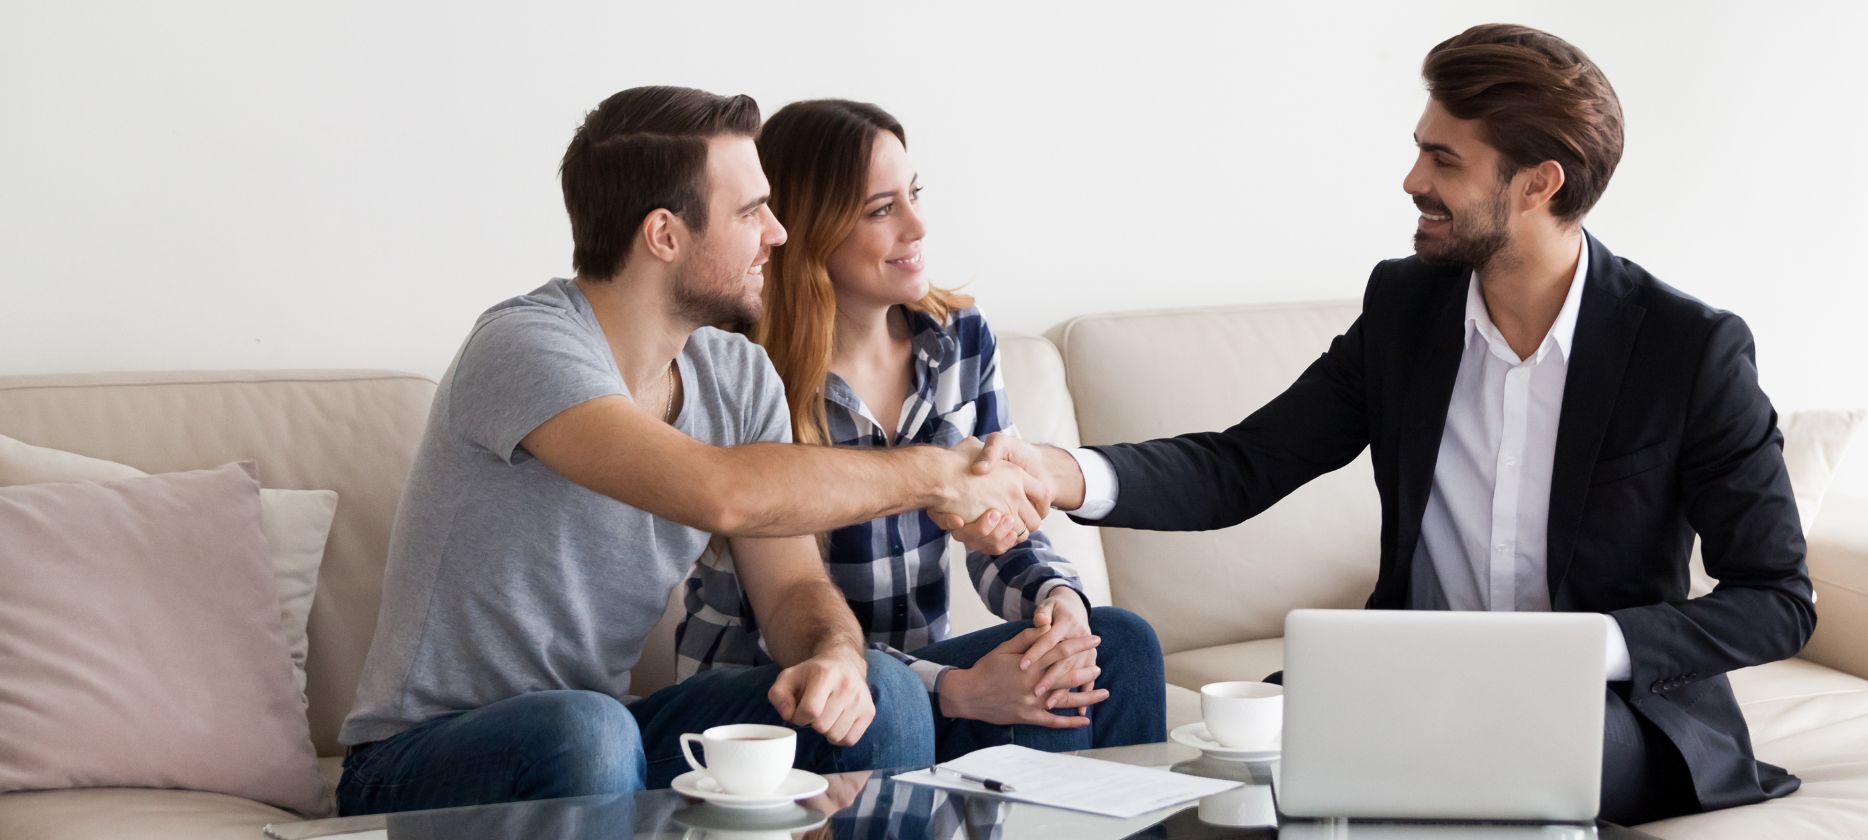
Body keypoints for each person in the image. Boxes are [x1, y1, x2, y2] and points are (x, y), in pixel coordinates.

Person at [959, 25, 1815, 825]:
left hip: (1606, 709)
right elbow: (1243, 465)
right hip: (1410, 684)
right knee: (1245, 758)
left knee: (1500, 756)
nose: (1413, 181)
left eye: (1443, 159)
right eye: (1419, 149)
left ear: (1538, 182)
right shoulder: (1407, 309)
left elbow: (1776, 600)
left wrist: (1590, 647)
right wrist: (1053, 471)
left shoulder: (1686, 349)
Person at [336, 86, 1056, 815]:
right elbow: (721, 491)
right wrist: (938, 474)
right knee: (586, 728)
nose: (777, 234)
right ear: (664, 235)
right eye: (750, 213)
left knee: (881, 690)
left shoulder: (736, 374)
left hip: (607, 738)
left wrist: (833, 652)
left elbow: (792, 589)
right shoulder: (525, 346)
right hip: (420, 758)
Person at [674, 99, 1165, 762]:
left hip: (916, 677)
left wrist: (1058, 610)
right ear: (810, 230)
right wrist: (953, 688)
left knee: (1116, 646)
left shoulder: (959, 341)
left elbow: (1004, 532)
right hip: (784, 692)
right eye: (882, 209)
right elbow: (779, 618)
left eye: (914, 194)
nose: (918, 224)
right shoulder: (742, 373)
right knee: (899, 692)